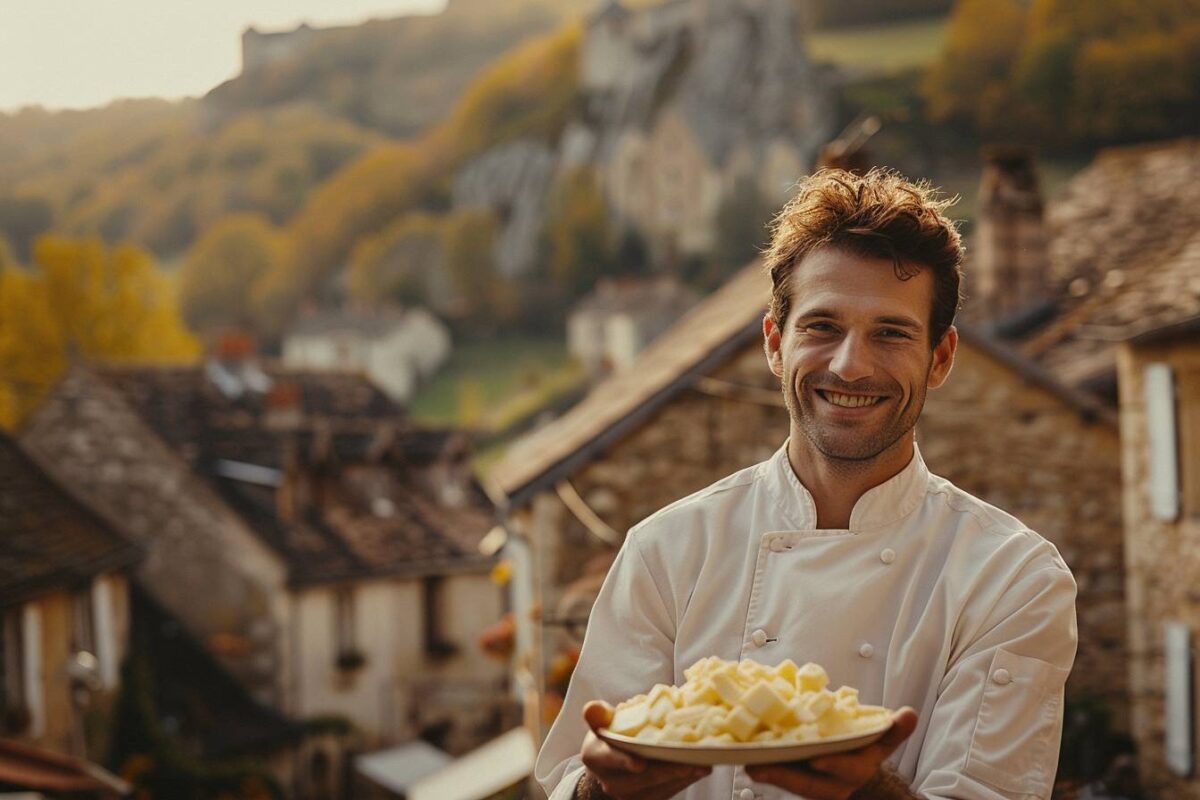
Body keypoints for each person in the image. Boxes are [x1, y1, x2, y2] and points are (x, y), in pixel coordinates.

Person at [534, 168, 1078, 800]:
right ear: (775, 342)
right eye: (822, 327)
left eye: (891, 333)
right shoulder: (666, 550)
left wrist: (863, 791)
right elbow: (573, 777)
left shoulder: (1012, 578)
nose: (851, 365)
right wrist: (606, 790)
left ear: (941, 358)